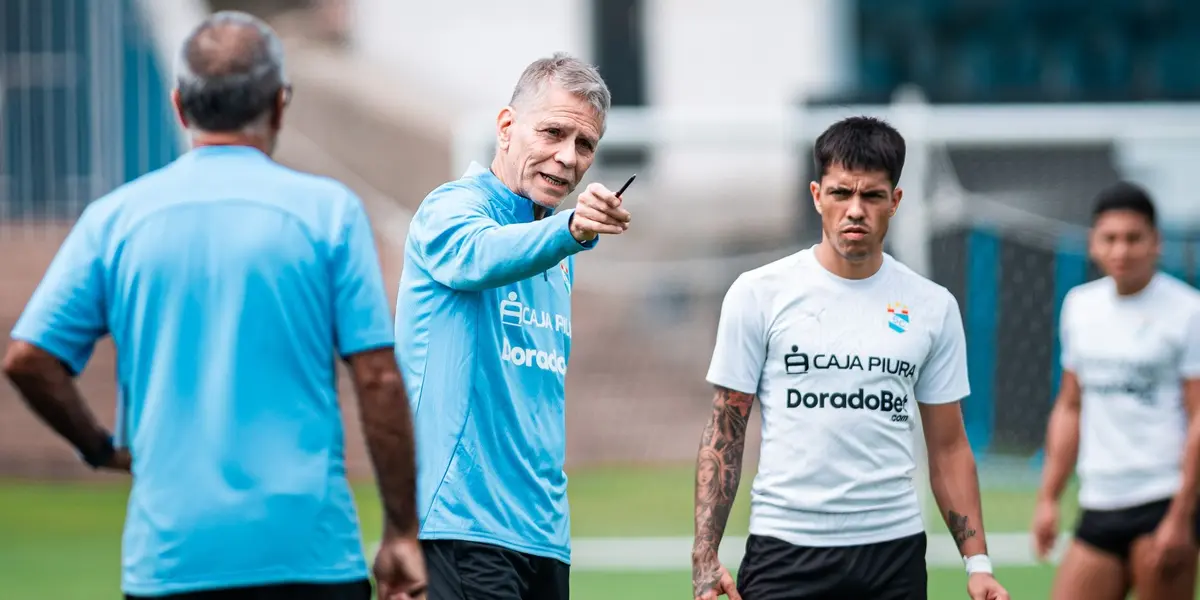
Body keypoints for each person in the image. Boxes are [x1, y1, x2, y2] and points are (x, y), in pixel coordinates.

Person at [2, 11, 425, 600]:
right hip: (309, 556)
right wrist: (402, 530)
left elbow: (27, 359)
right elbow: (377, 377)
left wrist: (99, 448)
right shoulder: (331, 213)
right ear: (281, 105)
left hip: (171, 561)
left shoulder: (116, 220)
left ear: (179, 106)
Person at [691, 116, 1011, 600]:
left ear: (895, 202)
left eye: (872, 196)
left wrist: (978, 564)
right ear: (817, 195)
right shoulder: (758, 293)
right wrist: (704, 555)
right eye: (841, 193)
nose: (855, 210)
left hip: (892, 554)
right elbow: (725, 430)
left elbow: (948, 446)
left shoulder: (932, 306)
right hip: (786, 548)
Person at [394, 52, 630, 600]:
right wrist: (572, 228)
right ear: (506, 127)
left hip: (544, 537)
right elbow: (478, 254)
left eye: (585, 145)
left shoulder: (555, 247)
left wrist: (564, 235)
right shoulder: (450, 208)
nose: (568, 157)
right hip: (460, 526)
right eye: (553, 132)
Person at [1032, 182, 1200, 600]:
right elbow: (1070, 405)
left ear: (1155, 242)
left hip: (1162, 500)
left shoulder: (1187, 311)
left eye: (1133, 238)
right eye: (1110, 238)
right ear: (1092, 243)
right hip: (1100, 501)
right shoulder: (1079, 306)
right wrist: (1049, 497)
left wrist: (1182, 515)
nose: (1121, 250)